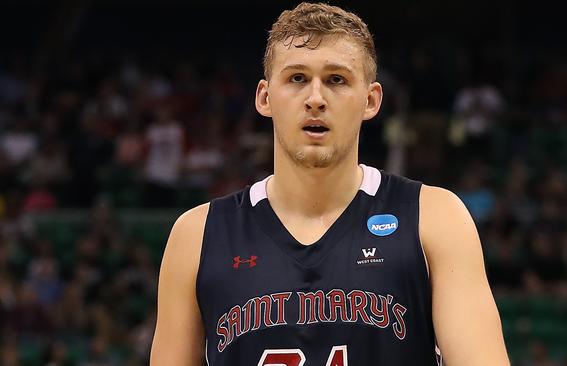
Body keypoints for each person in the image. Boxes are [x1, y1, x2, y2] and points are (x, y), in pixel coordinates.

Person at [150, 3, 509, 365]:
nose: (316, 99)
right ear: (264, 97)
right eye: (297, 78)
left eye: (336, 79)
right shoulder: (197, 235)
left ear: (371, 100)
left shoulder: (434, 218)